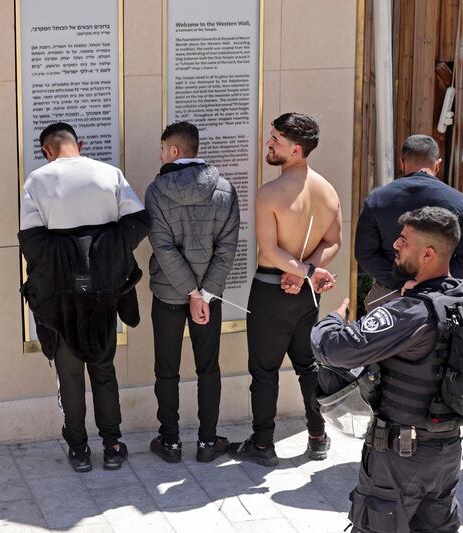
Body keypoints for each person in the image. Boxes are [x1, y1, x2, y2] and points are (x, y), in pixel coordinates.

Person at [312, 207, 463, 533]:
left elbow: (336, 349)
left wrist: (333, 320)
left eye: (404, 240)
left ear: (428, 253)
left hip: (399, 458)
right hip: (447, 452)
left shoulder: (411, 311)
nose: (395, 245)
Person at [18, 122, 148, 472]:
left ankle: (78, 449)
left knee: (70, 375)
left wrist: (71, 254)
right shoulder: (110, 173)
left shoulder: (37, 181)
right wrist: (100, 252)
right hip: (102, 296)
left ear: (46, 151)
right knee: (104, 371)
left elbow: (32, 243)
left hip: (60, 300)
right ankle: (112, 444)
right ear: (81, 144)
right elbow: (138, 223)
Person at [229, 112, 342, 466]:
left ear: (296, 150)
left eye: (276, 139)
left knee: (264, 370)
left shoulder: (270, 194)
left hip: (270, 289)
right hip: (306, 293)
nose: (269, 143)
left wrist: (302, 270)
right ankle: (318, 435)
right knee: (307, 365)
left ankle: (263, 445)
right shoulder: (327, 190)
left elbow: (269, 251)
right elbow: (333, 241)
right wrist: (306, 271)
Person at [145, 122, 240, 463]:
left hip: (169, 293)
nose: (159, 156)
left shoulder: (156, 192)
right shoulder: (226, 190)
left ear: (174, 151)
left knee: (167, 369)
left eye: (161, 149)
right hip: (208, 298)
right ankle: (207, 442)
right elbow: (228, 249)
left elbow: (163, 247)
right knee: (208, 368)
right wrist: (205, 293)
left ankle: (170, 443)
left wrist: (189, 291)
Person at [355, 134, 463, 311]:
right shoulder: (458, 201)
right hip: (440, 301)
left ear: (402, 162)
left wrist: (401, 282)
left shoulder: (378, 199)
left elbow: (365, 254)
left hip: (388, 297)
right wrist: (435, 283)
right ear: (438, 164)